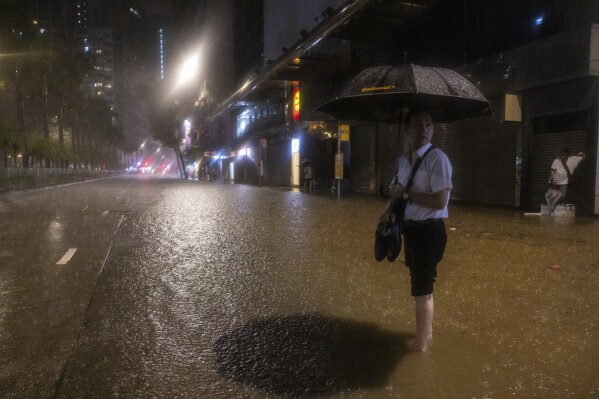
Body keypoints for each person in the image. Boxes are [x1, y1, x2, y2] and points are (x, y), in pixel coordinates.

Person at [379, 108, 453, 353]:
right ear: (407, 129)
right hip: (410, 231)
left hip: (430, 231)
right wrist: (390, 207)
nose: (424, 129)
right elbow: (399, 193)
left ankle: (421, 346)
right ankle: (427, 335)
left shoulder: (437, 159)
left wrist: (407, 194)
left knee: (421, 289)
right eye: (418, 125)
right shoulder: (402, 160)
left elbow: (440, 201)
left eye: (428, 125)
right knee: (421, 285)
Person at [546, 148, 586, 212]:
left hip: (564, 181)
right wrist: (553, 178)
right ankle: (551, 203)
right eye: (563, 154)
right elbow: (552, 170)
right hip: (556, 180)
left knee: (562, 195)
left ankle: (558, 207)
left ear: (568, 154)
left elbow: (583, 157)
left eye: (566, 154)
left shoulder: (574, 158)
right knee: (554, 194)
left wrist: (581, 154)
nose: (564, 155)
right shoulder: (557, 159)